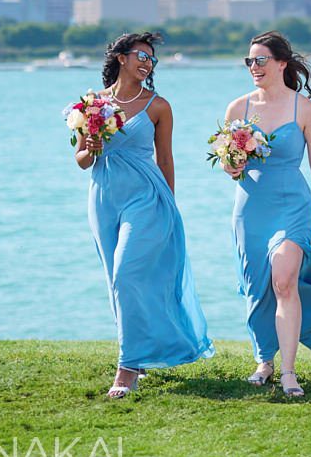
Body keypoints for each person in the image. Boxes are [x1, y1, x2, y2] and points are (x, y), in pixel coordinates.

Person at [74, 32, 213, 398]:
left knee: (126, 271)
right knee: (116, 280)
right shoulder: (92, 103)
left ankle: (127, 369)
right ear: (121, 57)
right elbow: (82, 160)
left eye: (151, 58)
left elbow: (165, 159)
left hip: (148, 198)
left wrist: (171, 206)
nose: (147, 63)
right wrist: (90, 147)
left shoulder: (158, 106)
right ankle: (142, 350)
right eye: (141, 55)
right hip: (104, 197)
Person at [221, 31, 311, 397]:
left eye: (261, 60)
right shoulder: (238, 108)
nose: (254, 67)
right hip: (250, 207)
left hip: (292, 205)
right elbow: (229, 165)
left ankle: (288, 371)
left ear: (282, 63)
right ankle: (263, 359)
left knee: (284, 280)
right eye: (249, 61)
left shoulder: (305, 109)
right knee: (257, 287)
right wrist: (234, 162)